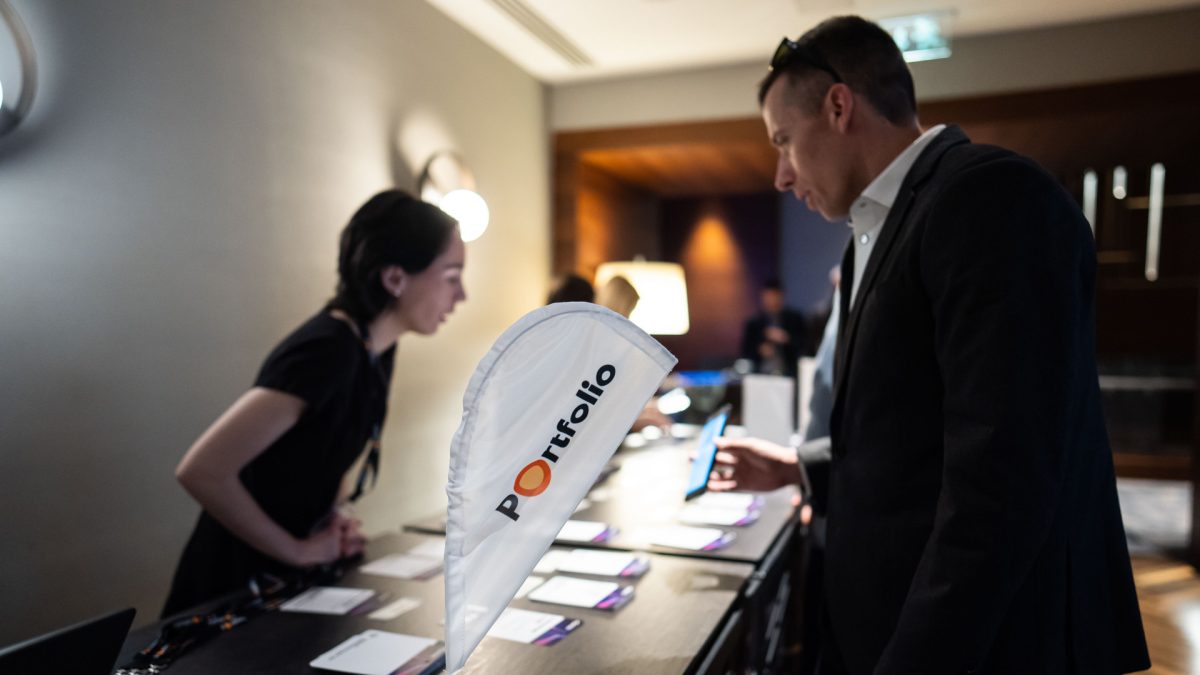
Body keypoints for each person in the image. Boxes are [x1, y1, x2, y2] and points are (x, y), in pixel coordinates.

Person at [711, 16, 1149, 674]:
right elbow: (912, 435)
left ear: (838, 106)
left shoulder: (989, 196)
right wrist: (798, 467)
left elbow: (1001, 480)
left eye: (783, 141)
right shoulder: (873, 235)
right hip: (887, 621)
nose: (780, 174)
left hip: (981, 647)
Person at [162, 190, 466, 616]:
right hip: (230, 591)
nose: (461, 295)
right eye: (451, 277)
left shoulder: (374, 349)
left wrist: (334, 512)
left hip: (286, 587)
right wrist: (298, 550)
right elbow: (202, 470)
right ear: (395, 278)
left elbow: (324, 445)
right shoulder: (326, 351)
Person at [740, 278, 809, 377]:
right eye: (769, 297)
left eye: (775, 296)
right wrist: (760, 350)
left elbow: (805, 345)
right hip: (760, 374)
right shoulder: (754, 322)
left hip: (788, 373)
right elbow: (745, 351)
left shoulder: (794, 319)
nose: (772, 301)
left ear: (781, 296)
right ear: (763, 297)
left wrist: (786, 338)